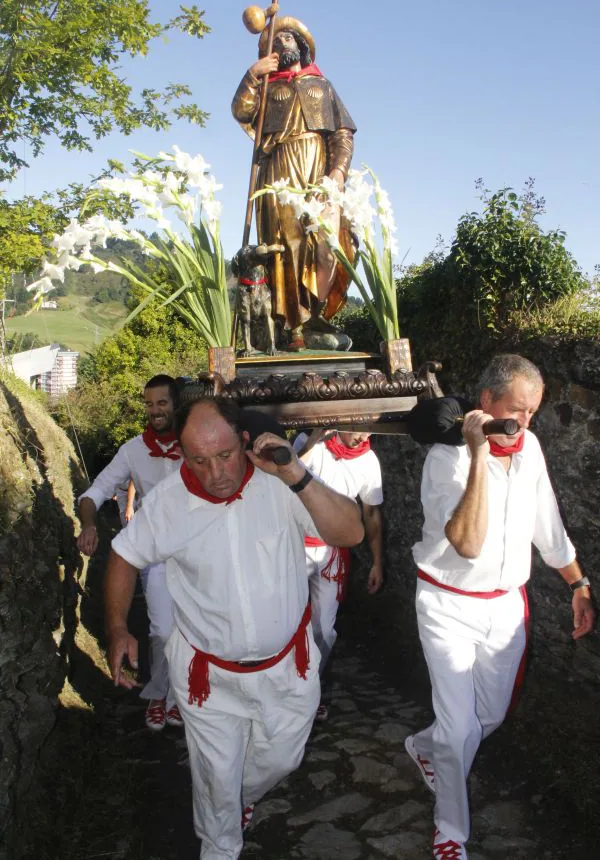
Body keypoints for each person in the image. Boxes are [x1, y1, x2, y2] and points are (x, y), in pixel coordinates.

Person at [104, 396, 364, 860]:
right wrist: (118, 626)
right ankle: (219, 840)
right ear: (183, 455)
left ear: (244, 442)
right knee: (216, 776)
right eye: (199, 461)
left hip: (288, 666)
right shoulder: (168, 502)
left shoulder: (281, 484)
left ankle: (235, 799)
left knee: (283, 758)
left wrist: (295, 475)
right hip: (208, 678)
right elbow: (125, 555)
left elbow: (351, 533)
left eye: (224, 455)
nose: (216, 473)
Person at [405, 354, 595, 859]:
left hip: (506, 606)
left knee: (488, 715)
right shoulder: (447, 460)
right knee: (460, 727)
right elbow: (466, 543)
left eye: (533, 411)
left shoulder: (529, 447)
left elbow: (546, 522)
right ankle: (450, 831)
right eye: (517, 409)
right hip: (447, 605)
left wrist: (577, 583)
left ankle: (426, 747)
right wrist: (479, 455)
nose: (525, 422)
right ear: (485, 403)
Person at [232, 16, 356, 350]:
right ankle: (291, 326)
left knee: (329, 242)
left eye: (288, 37)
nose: (282, 42)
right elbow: (243, 112)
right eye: (276, 39)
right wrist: (253, 75)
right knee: (286, 245)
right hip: (280, 172)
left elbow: (342, 135)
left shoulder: (322, 85)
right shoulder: (270, 88)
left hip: (319, 173)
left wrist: (337, 175)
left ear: (301, 45)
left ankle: (316, 314)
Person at [77, 374, 183, 732]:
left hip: (199, 551)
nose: (155, 411)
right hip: (155, 554)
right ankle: (158, 694)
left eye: (162, 403)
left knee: (202, 630)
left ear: (176, 404)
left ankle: (183, 697)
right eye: (149, 404)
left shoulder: (196, 442)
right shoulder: (133, 450)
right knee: (163, 630)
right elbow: (94, 493)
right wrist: (89, 523)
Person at [293, 429, 384, 720]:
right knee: (289, 622)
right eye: (357, 426)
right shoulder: (313, 446)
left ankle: (311, 690)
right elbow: (288, 468)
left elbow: (371, 513)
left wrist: (377, 562)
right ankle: (287, 690)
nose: (363, 435)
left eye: (369, 426)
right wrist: (316, 435)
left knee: (324, 630)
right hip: (294, 548)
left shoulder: (369, 460)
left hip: (332, 554)